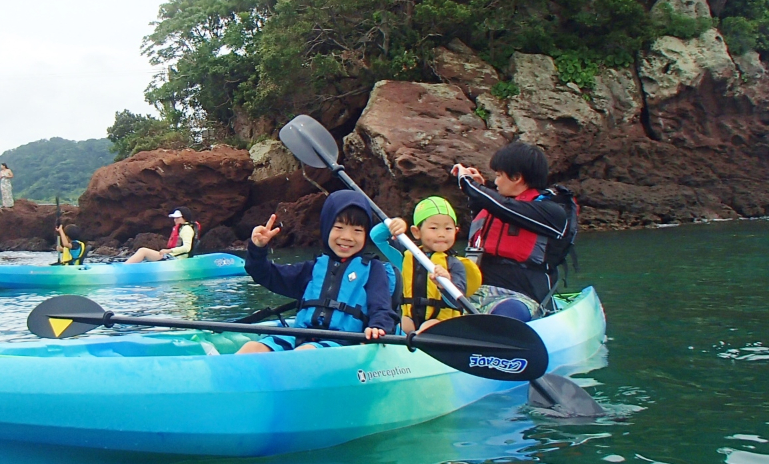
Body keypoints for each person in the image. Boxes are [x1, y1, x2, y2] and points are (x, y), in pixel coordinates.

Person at [237, 190, 397, 353]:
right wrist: (258, 248)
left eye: (357, 230)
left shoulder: (373, 269)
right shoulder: (313, 268)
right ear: (327, 227)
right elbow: (265, 274)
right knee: (252, 347)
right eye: (339, 227)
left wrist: (378, 327)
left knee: (306, 350)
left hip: (343, 344)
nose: (347, 237)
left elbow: (381, 308)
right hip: (300, 336)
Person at [451, 141, 577, 320]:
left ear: (517, 177)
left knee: (506, 315)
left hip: (521, 297)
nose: (496, 181)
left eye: (499, 175)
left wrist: (468, 183)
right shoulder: (499, 206)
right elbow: (494, 210)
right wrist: (479, 190)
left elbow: (506, 209)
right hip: (476, 291)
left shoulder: (551, 212)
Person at [370, 196, 482, 333]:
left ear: (456, 231)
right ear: (416, 232)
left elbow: (456, 302)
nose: (441, 234)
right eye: (434, 228)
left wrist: (445, 284)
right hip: (409, 323)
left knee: (428, 327)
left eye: (448, 228)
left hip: (442, 326)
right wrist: (395, 224)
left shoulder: (455, 264)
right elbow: (376, 236)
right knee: (401, 325)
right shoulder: (405, 255)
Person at [125, 207, 199, 263]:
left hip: (177, 259)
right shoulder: (182, 228)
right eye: (174, 218)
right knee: (144, 255)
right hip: (173, 256)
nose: (175, 220)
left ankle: (124, 268)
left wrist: (168, 251)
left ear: (185, 218)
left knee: (143, 251)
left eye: (178, 218)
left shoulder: (186, 229)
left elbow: (187, 248)